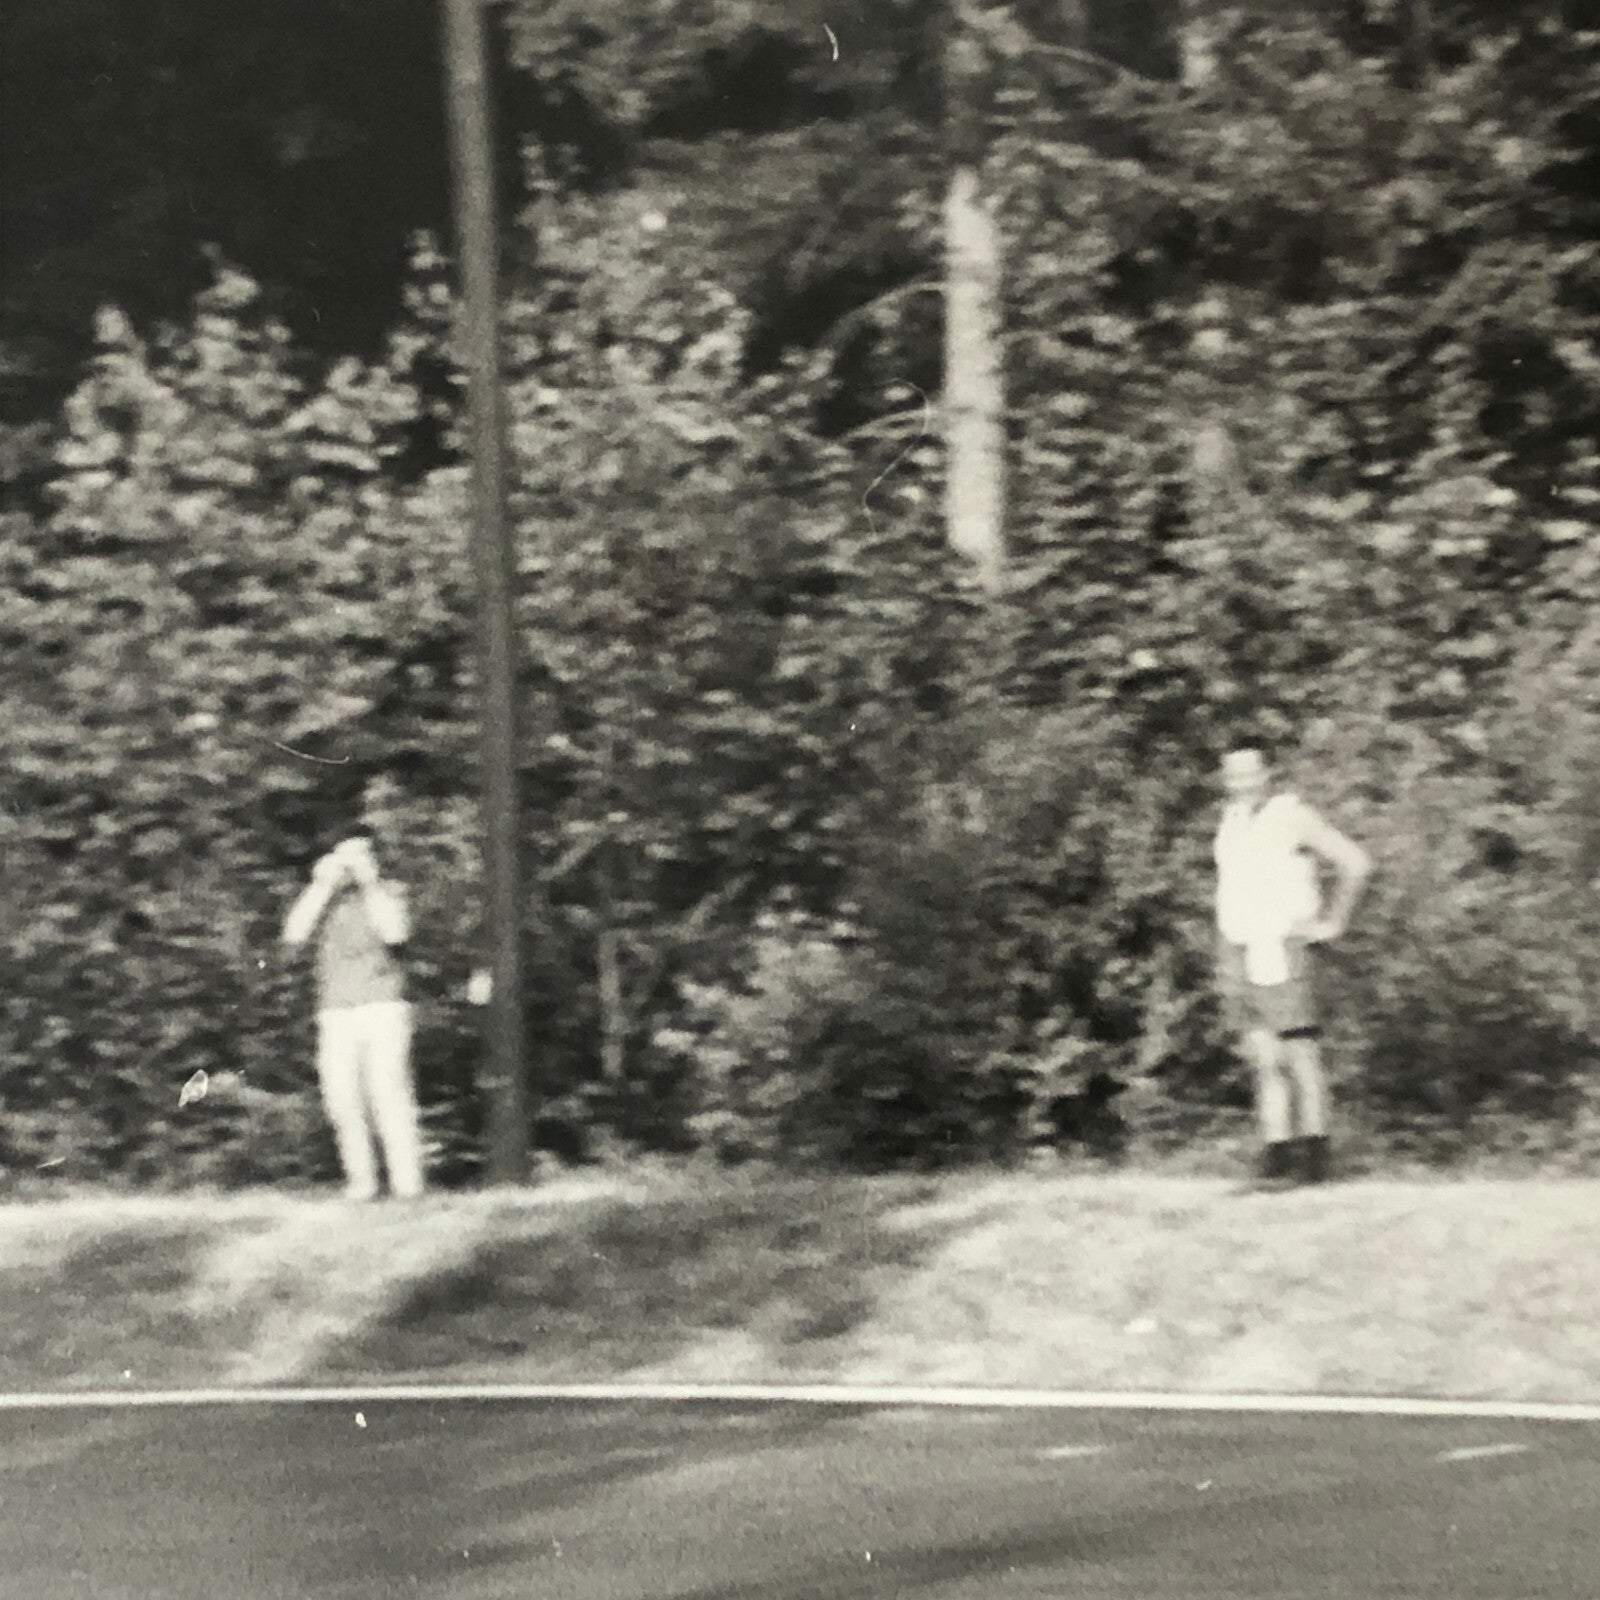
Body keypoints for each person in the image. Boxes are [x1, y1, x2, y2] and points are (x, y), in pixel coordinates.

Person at [1214, 741, 1370, 1185]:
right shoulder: (1231, 821)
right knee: (1263, 1057)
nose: (1242, 784)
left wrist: (1332, 922)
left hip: (1283, 944)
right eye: (1233, 775)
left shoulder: (1291, 815)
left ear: (1267, 774)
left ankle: (1315, 1159)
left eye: (1250, 773)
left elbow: (1355, 863)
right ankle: (1276, 1156)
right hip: (1239, 945)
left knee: (1301, 1054)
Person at [281, 828, 426, 1200]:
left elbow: (395, 933)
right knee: (341, 1099)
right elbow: (294, 935)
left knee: (388, 1096)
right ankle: (361, 1183)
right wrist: (320, 886)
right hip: (336, 1012)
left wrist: (370, 883)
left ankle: (407, 1185)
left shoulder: (390, 892)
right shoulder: (325, 901)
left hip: (383, 1006)